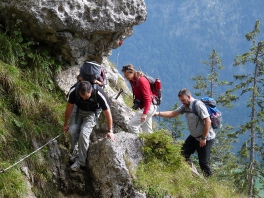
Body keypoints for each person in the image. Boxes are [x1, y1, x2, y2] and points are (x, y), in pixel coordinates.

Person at [154, 88, 215, 177]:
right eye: (181, 100)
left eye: (183, 100)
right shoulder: (185, 106)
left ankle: (210, 184)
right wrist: (157, 113)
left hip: (206, 138)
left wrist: (203, 138)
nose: (182, 102)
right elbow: (173, 113)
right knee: (183, 154)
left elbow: (208, 121)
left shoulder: (198, 105)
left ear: (189, 97)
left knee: (203, 162)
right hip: (194, 137)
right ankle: (186, 174)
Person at [63, 81, 115, 171]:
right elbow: (69, 108)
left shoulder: (99, 93)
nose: (83, 99)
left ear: (91, 91)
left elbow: (107, 113)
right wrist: (66, 124)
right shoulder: (74, 91)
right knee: (72, 131)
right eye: (81, 96)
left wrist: (110, 131)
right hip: (78, 110)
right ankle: (76, 154)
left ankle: (81, 162)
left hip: (92, 113)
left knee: (83, 134)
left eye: (85, 97)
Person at [122, 64, 157, 134]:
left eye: (126, 75)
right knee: (147, 132)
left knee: (131, 125)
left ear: (132, 72)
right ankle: (148, 144)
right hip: (147, 107)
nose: (125, 77)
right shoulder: (133, 81)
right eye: (124, 75)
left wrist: (145, 113)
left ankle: (137, 143)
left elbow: (148, 98)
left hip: (149, 107)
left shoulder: (141, 81)